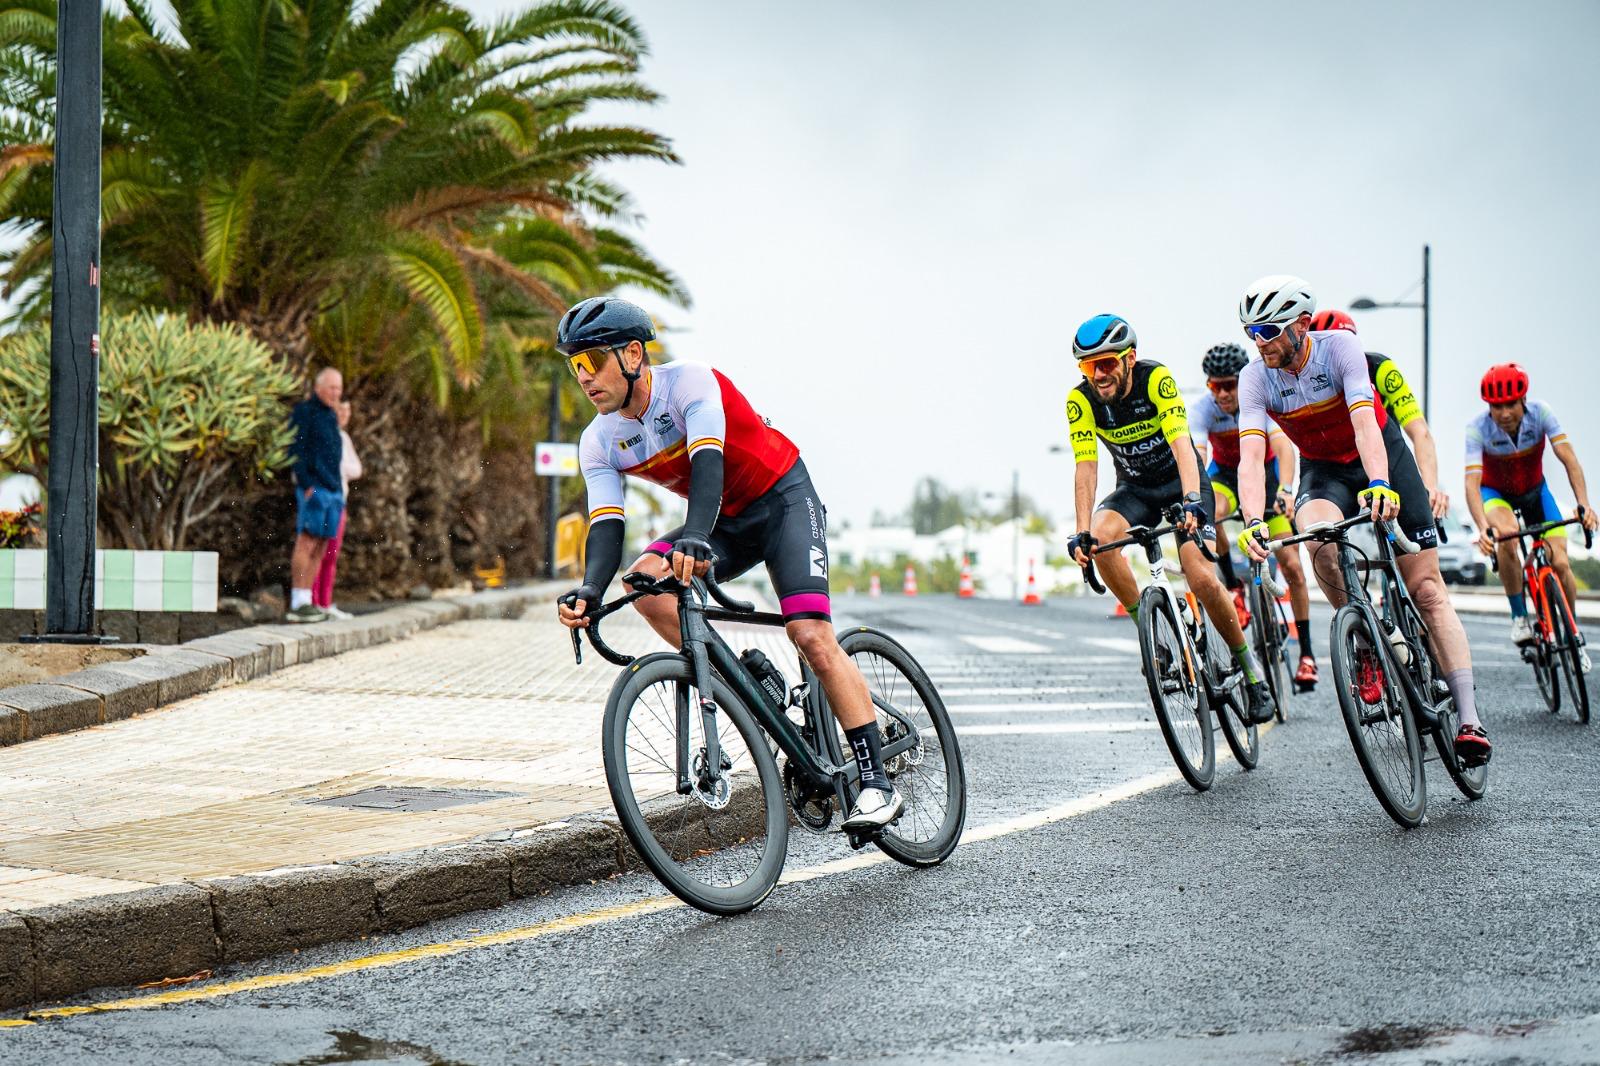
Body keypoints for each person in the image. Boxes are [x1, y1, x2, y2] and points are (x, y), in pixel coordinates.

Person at [554, 296, 904, 830]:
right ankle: (746, 681)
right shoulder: (599, 440)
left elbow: (707, 462)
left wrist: (695, 535)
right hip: (722, 522)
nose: (584, 377)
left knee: (810, 636)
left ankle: (875, 779)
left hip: (782, 499)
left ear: (631, 355)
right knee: (644, 582)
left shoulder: (691, 383)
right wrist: (589, 590)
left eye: (592, 361)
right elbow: (606, 521)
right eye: (574, 365)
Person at [1234, 275, 1490, 765]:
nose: (1258, 342)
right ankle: (1368, 639)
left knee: (1429, 591)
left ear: (1301, 325)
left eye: (1267, 330)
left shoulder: (1341, 349)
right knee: (1319, 544)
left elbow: (1365, 422)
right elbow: (1251, 455)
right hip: (1324, 471)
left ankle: (1469, 718)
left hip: (1380, 457)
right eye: (1251, 331)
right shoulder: (1254, 377)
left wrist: (1380, 481)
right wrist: (1252, 519)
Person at [1065, 314, 1275, 724]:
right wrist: (1081, 531)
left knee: (1199, 577)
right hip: (1137, 488)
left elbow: (1182, 445)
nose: (1100, 374)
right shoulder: (1081, 401)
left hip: (1183, 483)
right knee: (1104, 540)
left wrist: (1195, 500)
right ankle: (1151, 633)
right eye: (1090, 366)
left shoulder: (1154, 379)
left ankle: (1251, 673)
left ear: (1130, 358)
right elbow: (1086, 466)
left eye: (1107, 363)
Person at [1191, 343, 1318, 689]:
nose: (1222, 394)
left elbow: (1283, 450)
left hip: (1268, 478)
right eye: (1214, 386)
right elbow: (1199, 459)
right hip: (1226, 478)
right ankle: (1233, 586)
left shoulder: (1258, 402)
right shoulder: (1203, 410)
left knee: (1291, 565)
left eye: (1229, 385)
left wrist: (1286, 491)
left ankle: (1306, 654)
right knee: (1209, 509)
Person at [1465, 363, 1597, 661]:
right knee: (1507, 538)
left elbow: (1569, 459)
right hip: (1495, 494)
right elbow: (1472, 483)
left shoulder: (1542, 414)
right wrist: (1482, 526)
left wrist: (1584, 504)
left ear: (1524, 400)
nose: (1505, 413)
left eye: (1511, 404)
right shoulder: (1476, 429)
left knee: (1561, 564)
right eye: (1497, 406)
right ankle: (1519, 617)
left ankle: (1571, 632)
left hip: (1536, 493)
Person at [287, 368, 344, 623]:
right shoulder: (305, 412)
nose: (336, 393)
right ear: (318, 387)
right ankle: (298, 601)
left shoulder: (331, 416)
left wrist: (338, 490)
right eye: (332, 387)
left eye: (339, 388)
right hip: (315, 488)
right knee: (307, 542)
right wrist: (306, 482)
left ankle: (309, 600)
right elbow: (295, 449)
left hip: (333, 490)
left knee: (321, 545)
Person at [313, 400, 363, 620]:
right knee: (316, 552)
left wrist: (338, 465)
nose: (344, 414)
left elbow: (356, 469)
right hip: (322, 501)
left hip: (339, 502)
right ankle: (312, 602)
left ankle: (325, 601)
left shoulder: (343, 438)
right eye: (340, 410)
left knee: (331, 553)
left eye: (347, 411)